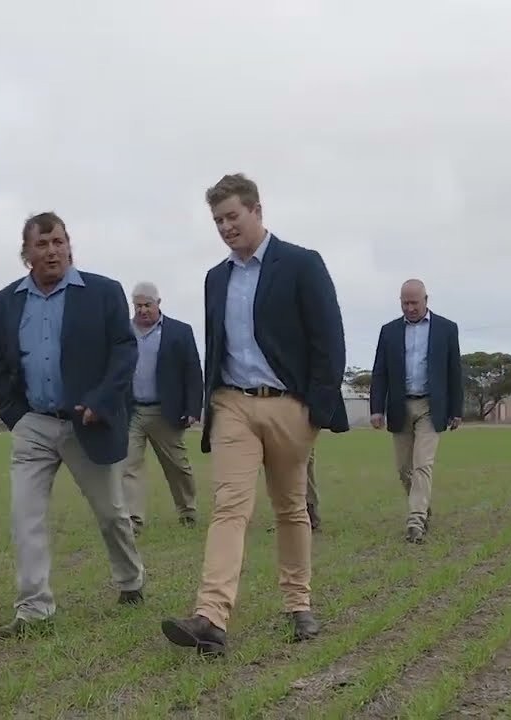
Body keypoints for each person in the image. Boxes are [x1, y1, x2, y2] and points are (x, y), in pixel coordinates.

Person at [160, 173, 348, 657]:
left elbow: (329, 341)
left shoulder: (302, 265)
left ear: (257, 211)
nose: (225, 227)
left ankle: (298, 605)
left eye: (232, 216)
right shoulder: (215, 278)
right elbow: (216, 345)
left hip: (290, 407)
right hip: (232, 404)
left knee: (290, 507)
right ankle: (211, 618)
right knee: (229, 507)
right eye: (218, 220)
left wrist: (315, 411)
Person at [0, 211, 146, 639]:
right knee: (26, 517)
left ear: (69, 245)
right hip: (33, 424)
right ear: (27, 254)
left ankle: (131, 581)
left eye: (58, 241)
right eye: (42, 244)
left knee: (111, 513)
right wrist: (14, 414)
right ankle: (34, 608)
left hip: (86, 421)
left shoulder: (103, 293)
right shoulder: (6, 301)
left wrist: (100, 400)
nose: (51, 251)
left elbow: (124, 352)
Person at [369, 278, 464, 543]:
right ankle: (422, 505)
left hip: (430, 407)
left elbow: (454, 371)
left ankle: (415, 521)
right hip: (400, 406)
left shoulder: (446, 329)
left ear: (426, 300)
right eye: (404, 302)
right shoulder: (388, 331)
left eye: (414, 302)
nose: (409, 308)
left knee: (423, 464)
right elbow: (380, 372)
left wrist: (456, 409)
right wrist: (377, 408)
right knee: (403, 469)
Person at [120, 281, 203, 532]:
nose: (143, 310)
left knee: (177, 466)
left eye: (147, 305)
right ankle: (133, 519)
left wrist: (192, 409)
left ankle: (187, 511)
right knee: (128, 465)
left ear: (159, 303)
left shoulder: (180, 331)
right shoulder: (122, 331)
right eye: (138, 305)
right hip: (131, 410)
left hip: (165, 411)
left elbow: (192, 372)